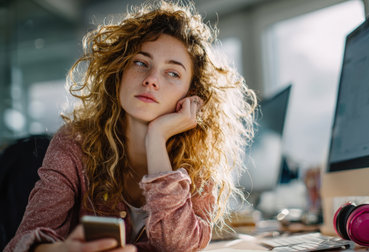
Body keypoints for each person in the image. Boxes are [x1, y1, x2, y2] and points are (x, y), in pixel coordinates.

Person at [4, 1, 256, 251]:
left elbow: (179, 245)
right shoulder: (74, 143)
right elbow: (21, 243)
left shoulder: (199, 159)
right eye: (140, 62)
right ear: (119, 71)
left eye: (173, 73)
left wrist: (156, 138)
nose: (151, 80)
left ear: (191, 95)